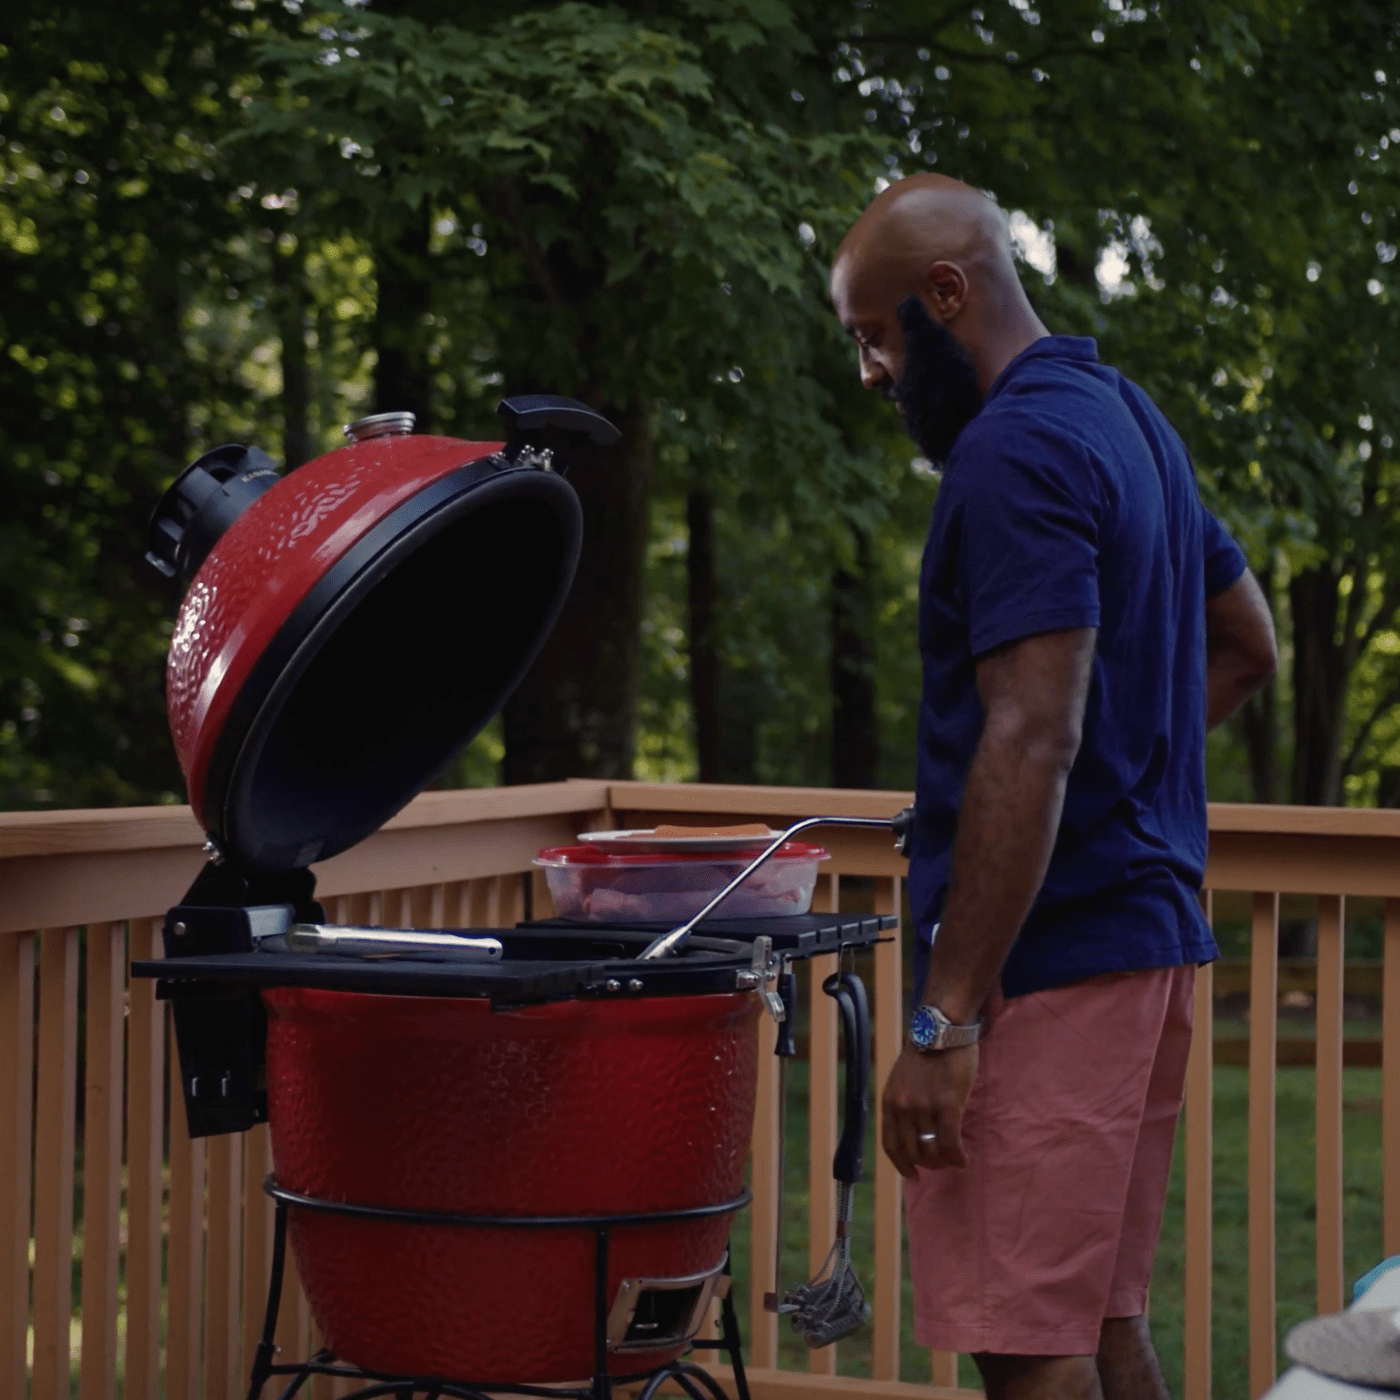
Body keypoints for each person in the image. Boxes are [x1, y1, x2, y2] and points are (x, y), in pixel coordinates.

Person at [829, 174, 1278, 1400]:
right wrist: (1121, 768)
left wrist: (944, 1017)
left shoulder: (1008, 451)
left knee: (1029, 1349)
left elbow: (1029, 736)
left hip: (1048, 963)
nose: (869, 370)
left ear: (943, 294)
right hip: (1141, 945)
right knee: (1093, 1319)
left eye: (872, 335)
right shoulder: (1125, 416)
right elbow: (1247, 643)